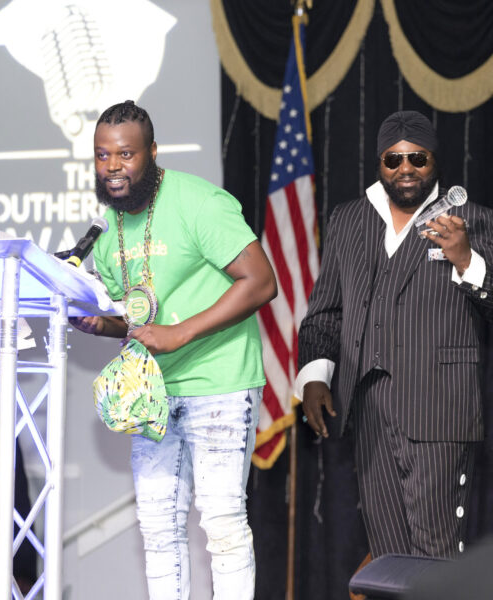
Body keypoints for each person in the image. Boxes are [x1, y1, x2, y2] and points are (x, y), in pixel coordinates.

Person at [70, 100, 277, 599]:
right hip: (154, 394)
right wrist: (100, 323)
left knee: (223, 524)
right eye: (102, 155)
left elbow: (261, 281)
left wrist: (180, 333)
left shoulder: (199, 201)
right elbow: (137, 317)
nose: (112, 166)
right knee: (158, 528)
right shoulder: (107, 229)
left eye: (125, 154)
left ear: (152, 152)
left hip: (219, 382)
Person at [296, 110, 493, 560]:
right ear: (379, 164)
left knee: (437, 559)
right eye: (393, 160)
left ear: (435, 161)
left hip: (440, 414)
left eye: (417, 158)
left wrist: (467, 260)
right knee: (389, 559)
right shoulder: (349, 219)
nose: (405, 168)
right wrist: (315, 377)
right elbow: (325, 311)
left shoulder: (473, 220)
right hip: (367, 413)